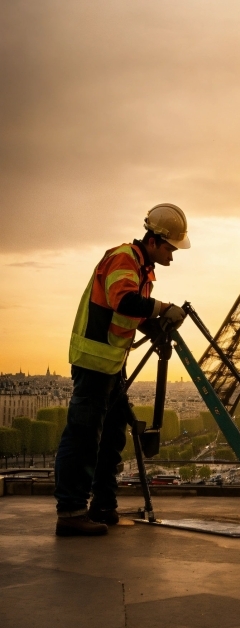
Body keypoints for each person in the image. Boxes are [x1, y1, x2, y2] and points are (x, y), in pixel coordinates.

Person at [54, 204, 190, 536]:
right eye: (171, 247)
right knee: (84, 436)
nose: (173, 255)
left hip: (111, 363)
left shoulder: (141, 269)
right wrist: (163, 309)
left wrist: (154, 327)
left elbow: (132, 314)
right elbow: (123, 301)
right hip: (94, 361)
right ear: (155, 240)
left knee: (112, 434)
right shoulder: (124, 259)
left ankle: (103, 506)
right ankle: (71, 513)